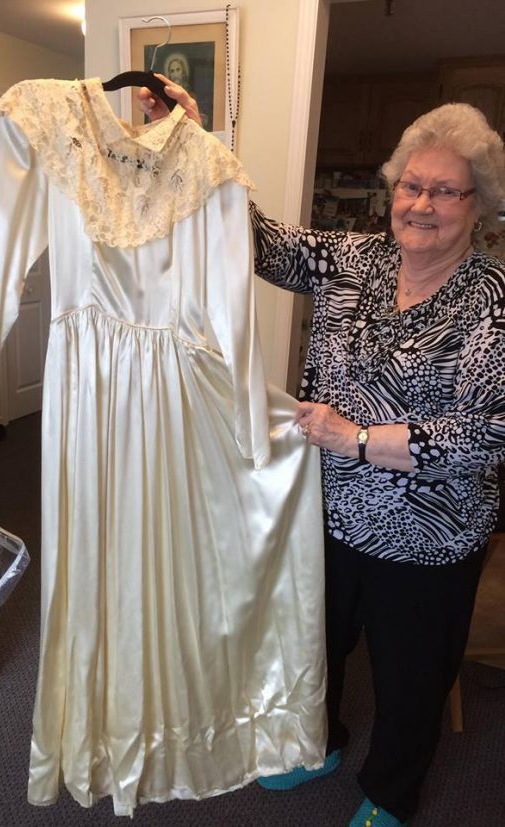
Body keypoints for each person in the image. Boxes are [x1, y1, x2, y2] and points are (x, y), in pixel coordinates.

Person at [140, 83, 505, 825]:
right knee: (316, 646)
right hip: (326, 512)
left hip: (430, 535)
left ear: (478, 205)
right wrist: (195, 145)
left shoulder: (491, 298)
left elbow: (486, 433)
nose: (422, 204)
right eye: (411, 184)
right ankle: (318, 739)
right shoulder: (351, 258)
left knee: (410, 679)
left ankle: (390, 792)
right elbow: (256, 239)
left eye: (445, 191)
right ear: (391, 187)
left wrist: (358, 437)